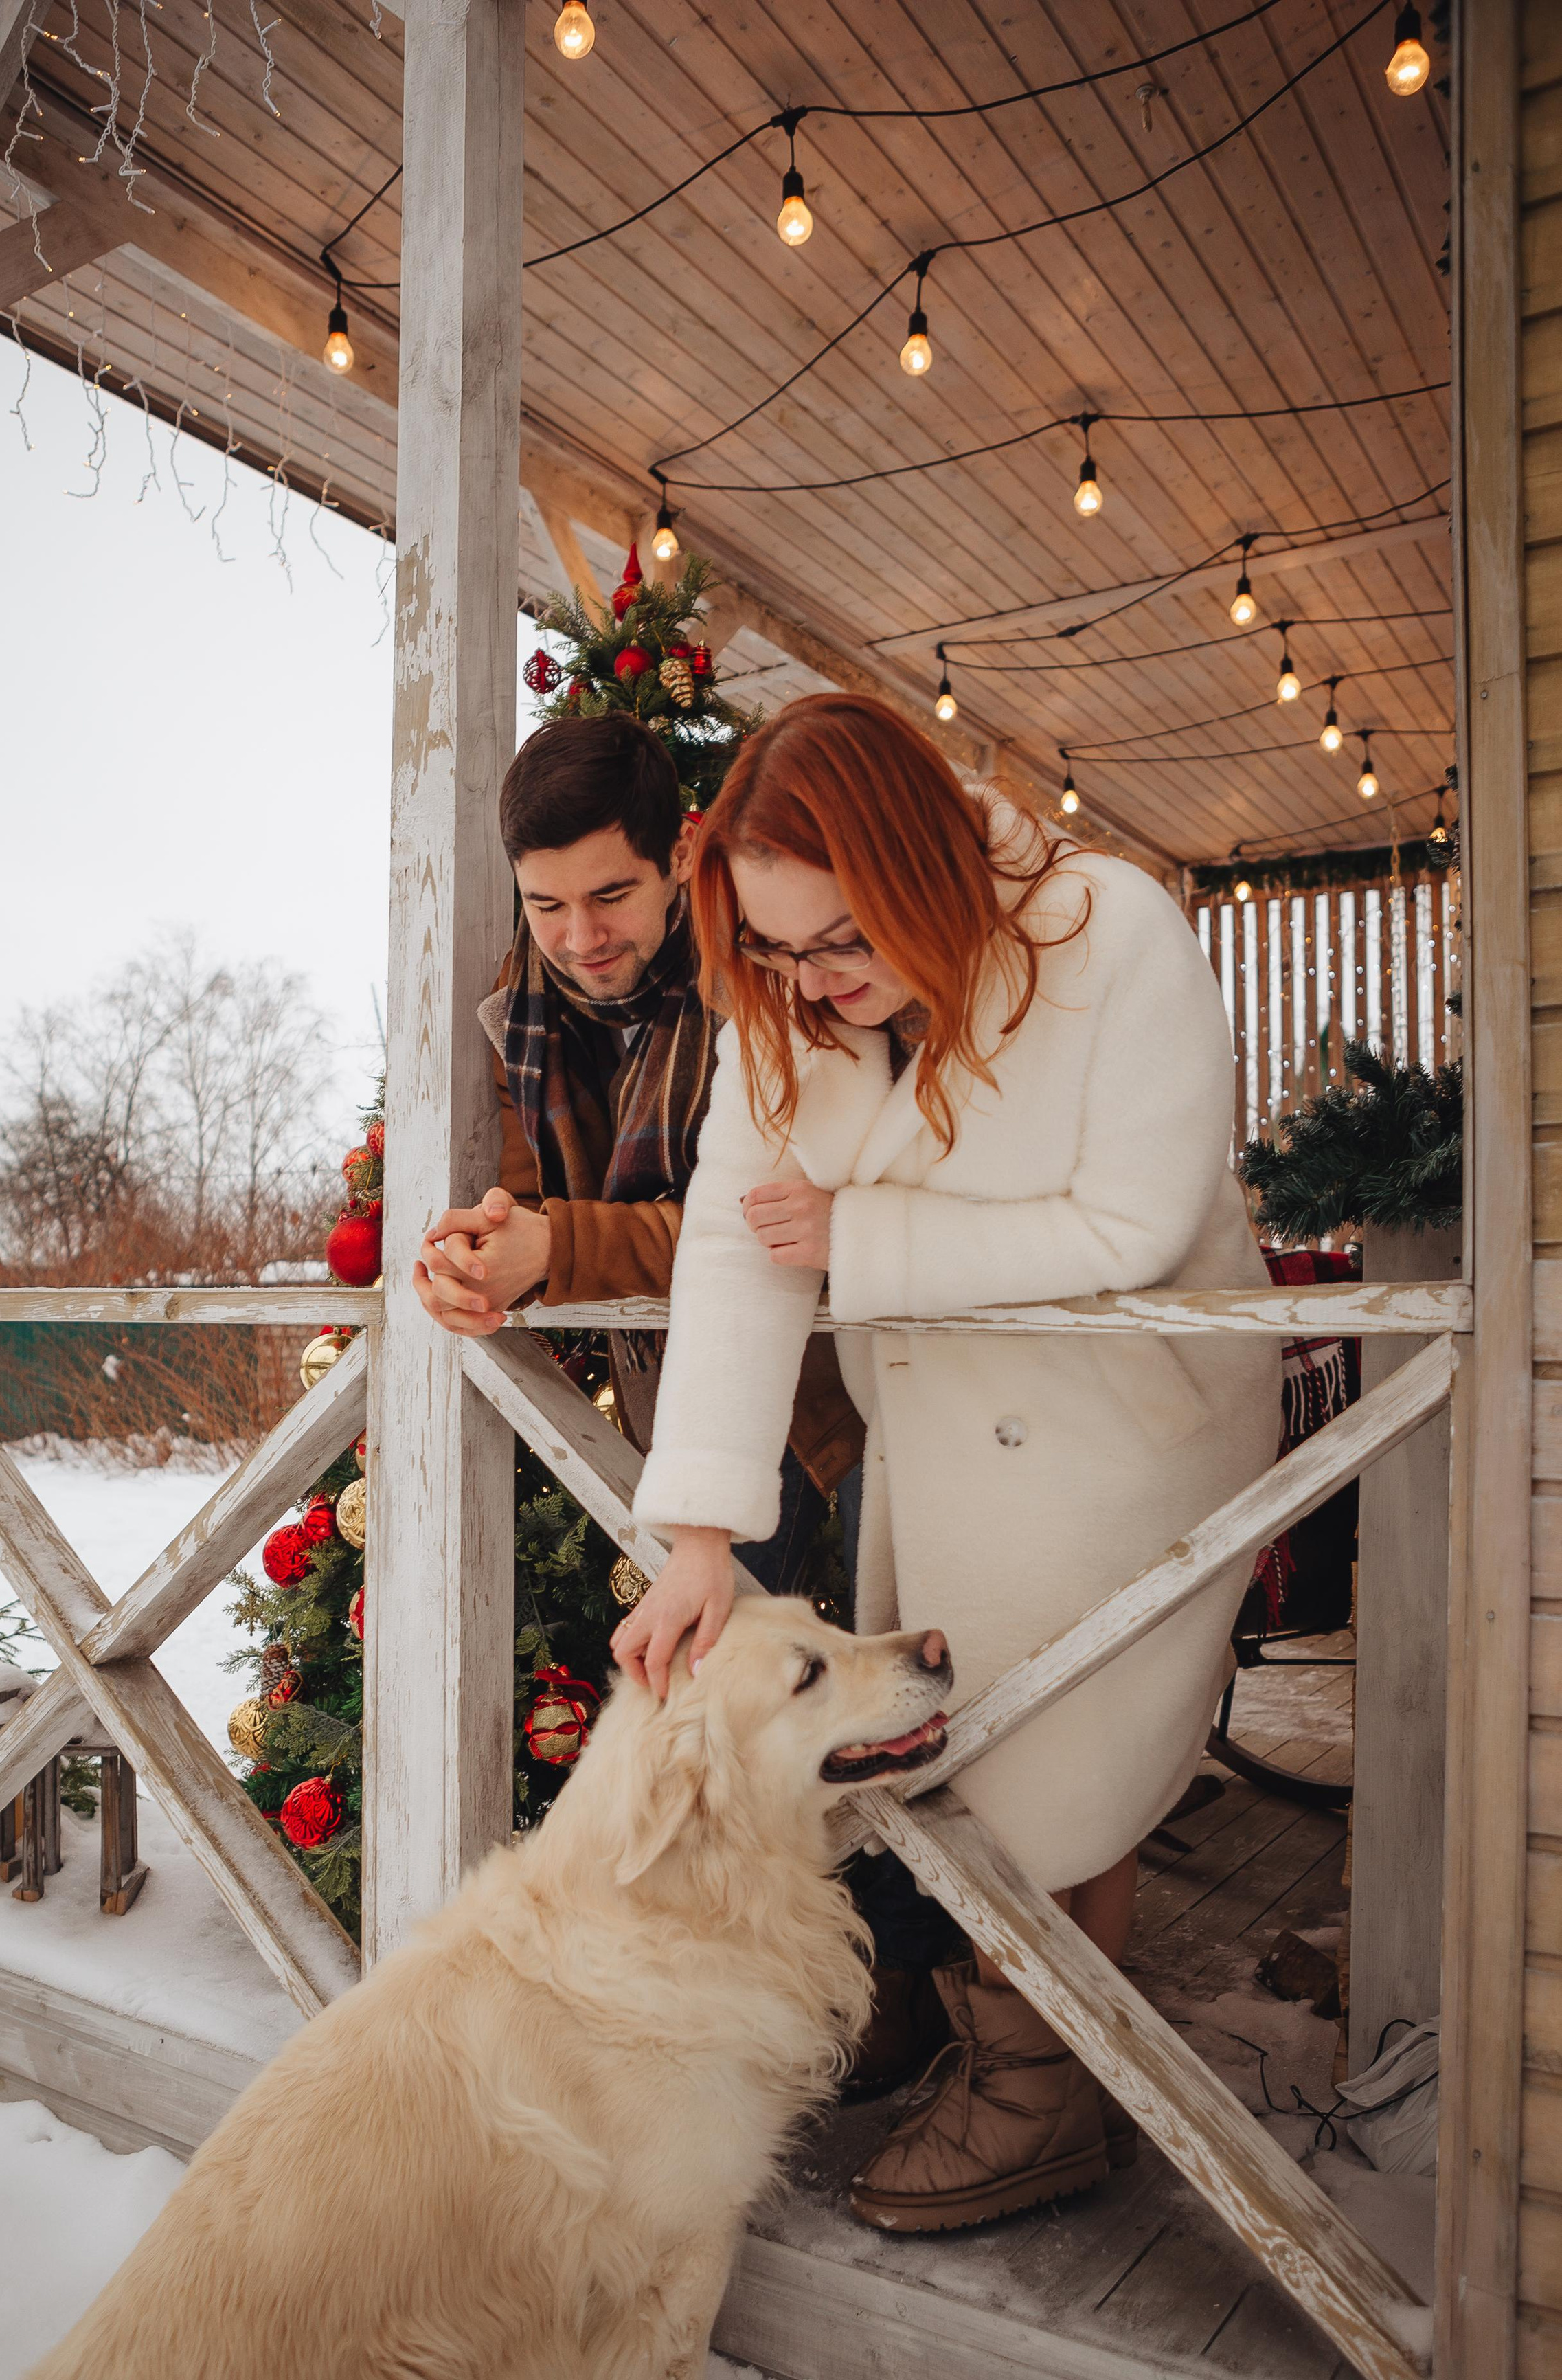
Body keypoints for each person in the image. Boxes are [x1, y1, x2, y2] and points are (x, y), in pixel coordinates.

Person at [613, 692, 1280, 2234]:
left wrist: (866, 1240)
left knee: (1059, 1749)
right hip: (942, 1413)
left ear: (922, 866)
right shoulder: (783, 999)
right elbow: (734, 1243)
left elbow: (1134, 1221)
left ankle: (1044, 2091)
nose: (814, 986)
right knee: (948, 1728)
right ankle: (981, 2037)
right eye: (776, 954)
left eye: (840, 941)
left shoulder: (1109, 932)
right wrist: (703, 1527)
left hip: (1126, 1410)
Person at [411, 710, 863, 1593]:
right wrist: (481, 1255)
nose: (581, 939)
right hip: (664, 1414)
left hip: (822, 1397)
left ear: (683, 854)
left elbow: (762, 1220)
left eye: (611, 895)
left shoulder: (770, 969)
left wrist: (558, 1248)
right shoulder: (528, 1009)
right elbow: (529, 1206)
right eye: (546, 905)